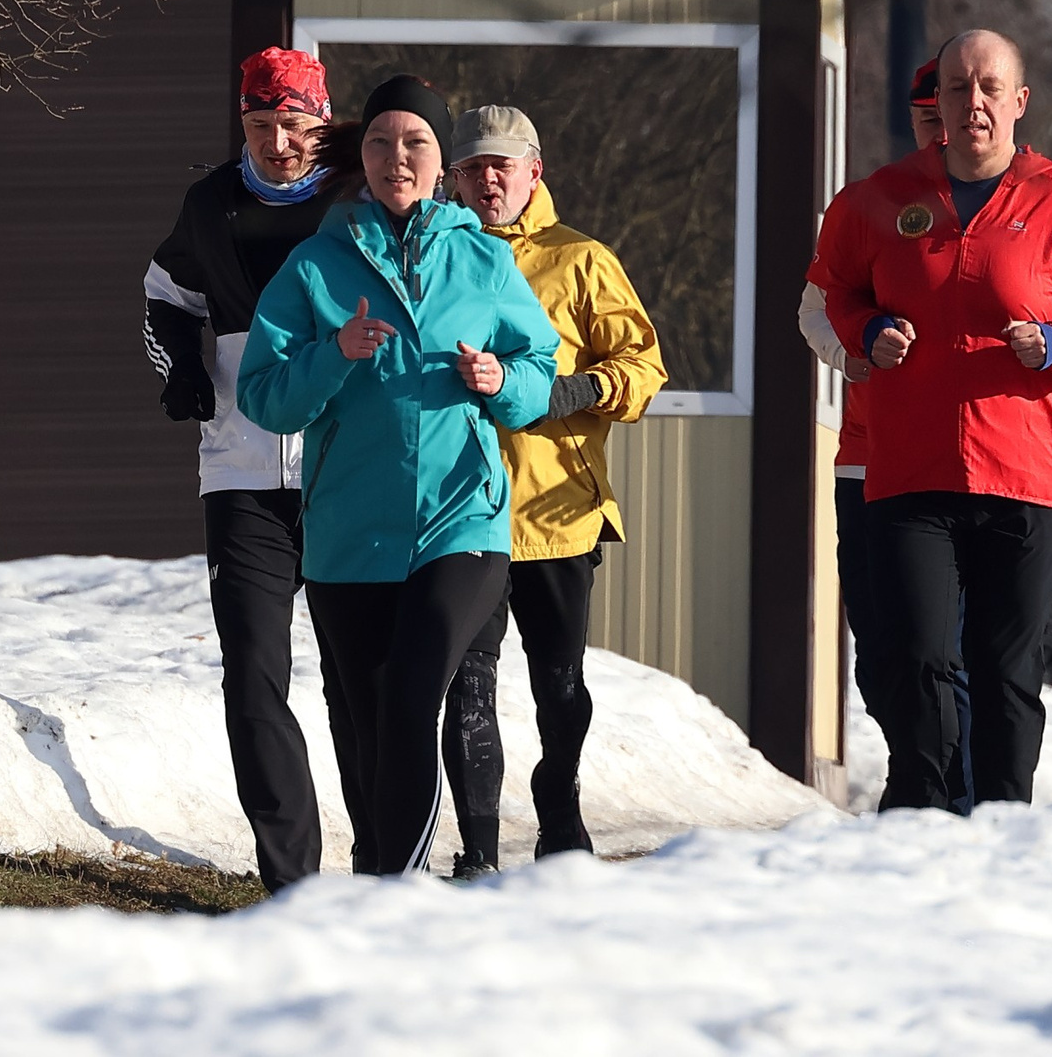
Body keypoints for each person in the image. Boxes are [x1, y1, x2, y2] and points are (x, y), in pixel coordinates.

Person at [812, 29, 1052, 810]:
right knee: (918, 653)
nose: (974, 104)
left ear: (1019, 101)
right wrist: (864, 331)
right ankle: (926, 814)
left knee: (1005, 666)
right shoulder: (878, 199)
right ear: (939, 103)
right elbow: (832, 288)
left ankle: (1003, 821)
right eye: (959, 89)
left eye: (990, 88)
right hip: (910, 470)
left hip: (1023, 474)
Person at [238, 75, 560, 877]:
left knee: (414, 688)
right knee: (365, 718)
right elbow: (263, 395)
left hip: (463, 519)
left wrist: (500, 382)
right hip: (350, 532)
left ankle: (399, 889)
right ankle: (380, 874)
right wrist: (332, 355)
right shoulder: (316, 265)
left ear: (441, 159)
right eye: (380, 141)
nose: (395, 157)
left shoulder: (483, 259)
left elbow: (540, 366)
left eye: (415, 142)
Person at [438, 105, 667, 876]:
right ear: (454, 178)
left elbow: (644, 369)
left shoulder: (580, 259)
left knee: (558, 686)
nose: (488, 178)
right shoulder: (434, 256)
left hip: (555, 508)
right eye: (473, 167)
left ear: (536, 170)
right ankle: (476, 850)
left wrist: (573, 392)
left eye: (503, 164)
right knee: (466, 682)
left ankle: (559, 805)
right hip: (459, 510)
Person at [140, 45, 347, 892]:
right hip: (242, 475)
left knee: (361, 678)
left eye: (294, 126)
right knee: (254, 674)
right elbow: (162, 291)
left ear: (321, 124)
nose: (278, 144)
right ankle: (291, 880)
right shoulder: (210, 203)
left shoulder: (355, 203)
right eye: (261, 127)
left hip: (348, 472)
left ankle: (381, 859)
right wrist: (181, 369)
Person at [801, 59, 970, 798]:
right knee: (878, 651)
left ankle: (942, 798)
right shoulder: (871, 203)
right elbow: (815, 305)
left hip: (964, 470)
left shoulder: (1006, 203)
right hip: (867, 462)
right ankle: (920, 777)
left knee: (942, 651)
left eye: (952, 111)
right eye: (927, 115)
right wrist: (852, 350)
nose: (940, 128)